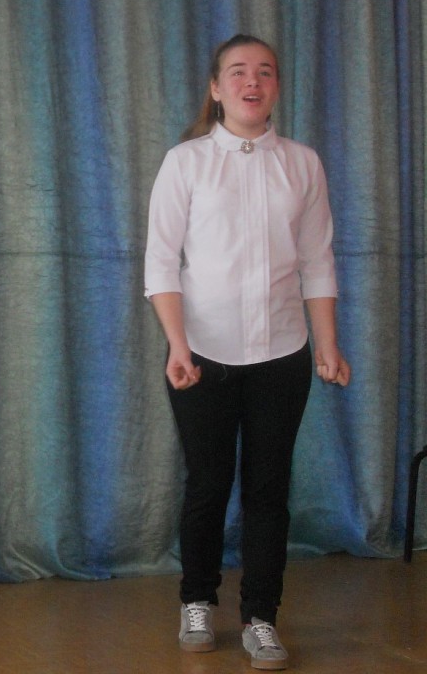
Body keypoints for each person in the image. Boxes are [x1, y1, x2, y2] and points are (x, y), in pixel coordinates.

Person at [144, 33, 351, 671]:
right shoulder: (186, 162)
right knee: (208, 486)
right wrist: (178, 346)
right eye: (237, 72)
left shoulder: (302, 164)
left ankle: (261, 616)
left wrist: (328, 345)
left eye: (264, 72)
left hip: (282, 356)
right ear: (216, 88)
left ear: (277, 86)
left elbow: (317, 262)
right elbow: (161, 263)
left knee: (268, 491)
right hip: (201, 356)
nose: (251, 82)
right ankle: (197, 599)